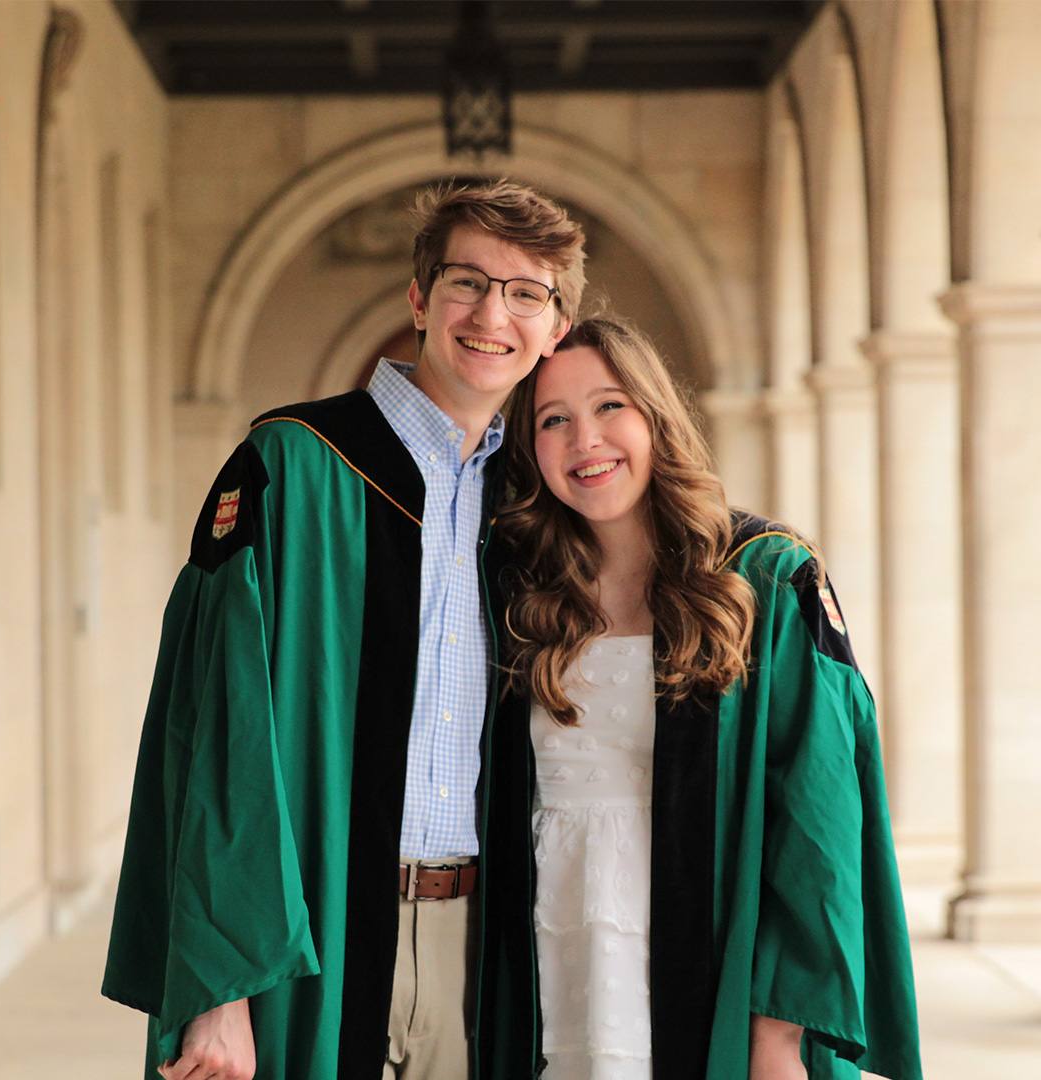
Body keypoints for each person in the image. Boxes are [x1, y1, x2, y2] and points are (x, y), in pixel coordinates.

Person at [102, 179, 585, 1080]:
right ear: (418, 299)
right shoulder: (290, 466)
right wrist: (219, 986)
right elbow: (218, 739)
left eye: (527, 294)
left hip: (480, 943)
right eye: (467, 282)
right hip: (306, 931)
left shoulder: (535, 506)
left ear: (555, 329)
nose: (493, 313)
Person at [487, 318, 923, 1080]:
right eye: (553, 420)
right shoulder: (519, 592)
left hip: (700, 968)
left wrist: (778, 1035)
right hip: (549, 959)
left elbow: (818, 824)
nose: (585, 439)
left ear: (656, 415)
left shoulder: (760, 577)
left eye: (610, 406)